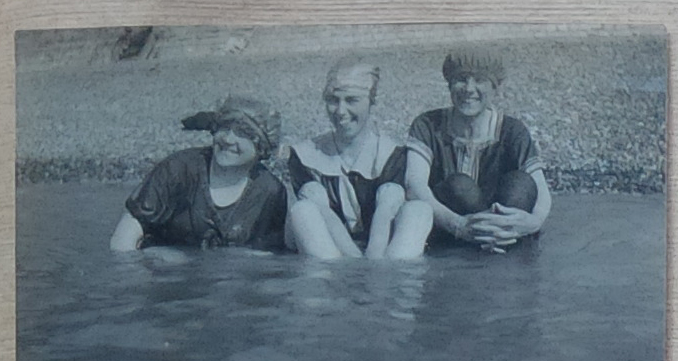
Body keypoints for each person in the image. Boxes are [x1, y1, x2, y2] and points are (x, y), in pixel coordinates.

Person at [405, 49, 552, 252]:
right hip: (450, 229)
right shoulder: (428, 125)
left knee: (521, 183)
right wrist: (459, 225)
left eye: (480, 80)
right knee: (459, 186)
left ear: (495, 87)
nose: (469, 89)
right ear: (449, 84)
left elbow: (541, 190)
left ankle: (499, 249)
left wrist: (533, 222)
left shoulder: (512, 130)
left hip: (506, 229)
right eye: (461, 79)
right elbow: (414, 186)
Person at [287, 58, 433, 260]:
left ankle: (398, 273)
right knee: (303, 209)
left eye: (351, 100)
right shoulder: (305, 156)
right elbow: (323, 213)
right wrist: (355, 263)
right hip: (326, 248)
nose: (340, 111)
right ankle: (324, 276)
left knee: (419, 209)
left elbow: (386, 213)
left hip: (381, 250)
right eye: (333, 100)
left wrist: (372, 263)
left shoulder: (391, 154)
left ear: (371, 101)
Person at [110, 96, 287, 252]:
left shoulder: (270, 191)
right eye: (224, 127)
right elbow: (124, 239)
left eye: (243, 133)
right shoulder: (177, 170)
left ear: (262, 147)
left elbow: (266, 257)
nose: (228, 139)